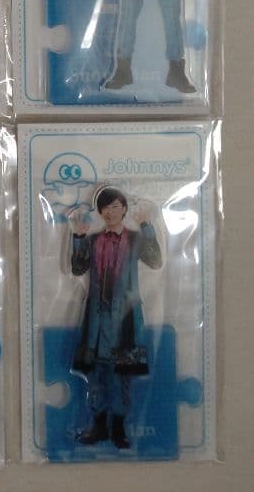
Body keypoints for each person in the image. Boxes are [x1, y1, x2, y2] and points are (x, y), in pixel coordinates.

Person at [70, 186, 162, 450]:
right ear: (99, 212)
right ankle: (98, 427)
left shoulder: (135, 239)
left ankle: (119, 430)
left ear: (124, 209)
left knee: (121, 376)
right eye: (105, 208)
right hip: (97, 318)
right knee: (97, 374)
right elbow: (77, 268)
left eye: (115, 207)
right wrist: (79, 237)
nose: (109, 212)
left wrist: (146, 226)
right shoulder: (93, 240)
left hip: (124, 317)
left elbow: (155, 261)